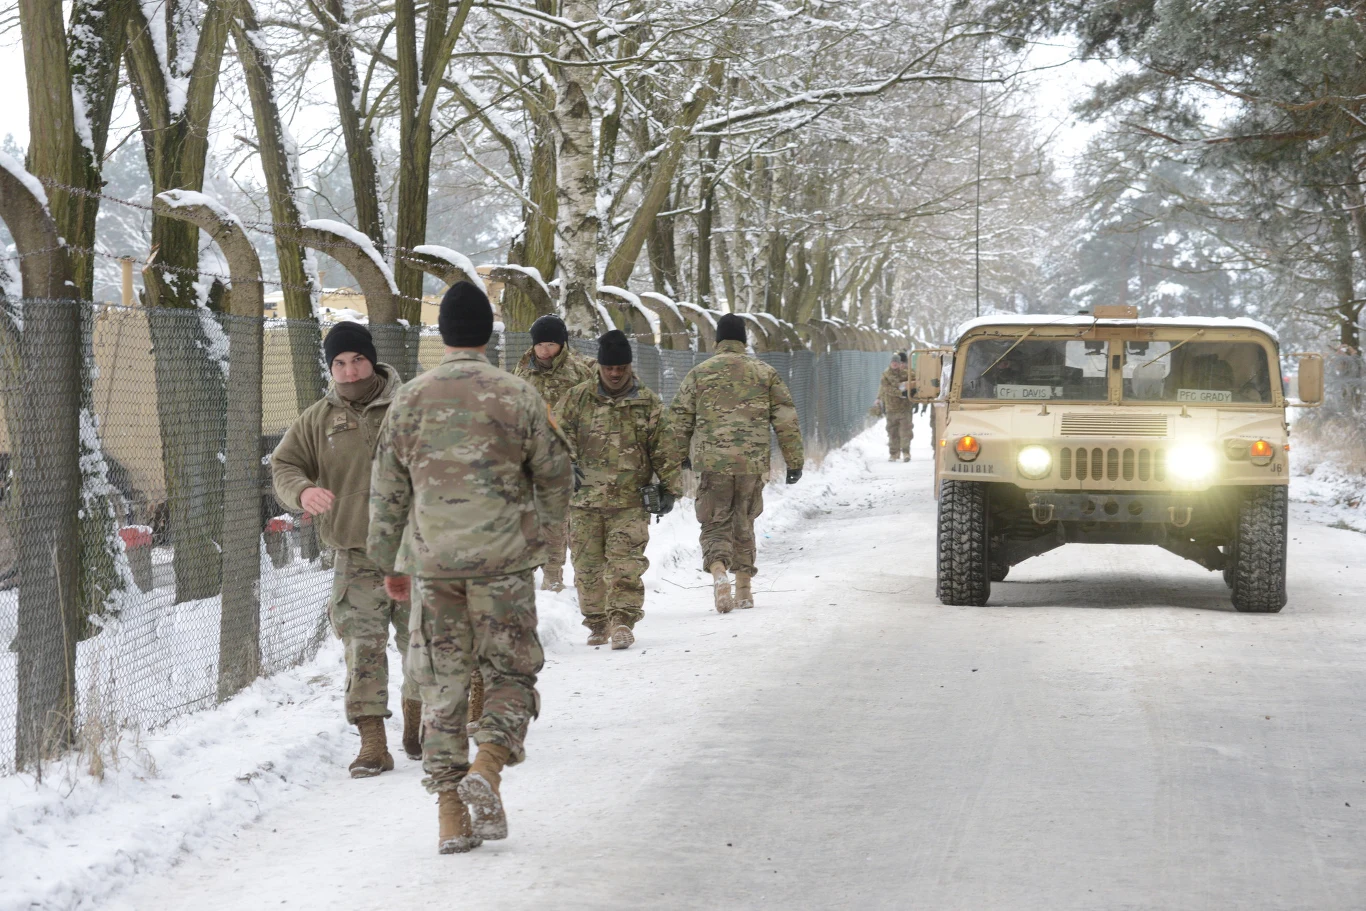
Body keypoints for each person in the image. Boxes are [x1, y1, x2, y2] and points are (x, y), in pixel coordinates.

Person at [369, 282, 571, 854]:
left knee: (441, 683)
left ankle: (451, 814)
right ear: (489, 334)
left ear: (442, 335)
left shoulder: (408, 399)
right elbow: (557, 473)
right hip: (504, 563)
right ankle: (488, 763)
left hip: (432, 566)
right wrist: (550, 532)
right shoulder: (519, 395)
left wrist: (388, 560)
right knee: (510, 675)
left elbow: (386, 491)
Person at [270, 321, 419, 777]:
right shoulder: (318, 419)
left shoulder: (413, 406)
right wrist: (302, 492)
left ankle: (420, 716)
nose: (350, 371)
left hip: (417, 551)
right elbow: (285, 464)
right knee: (362, 647)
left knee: (424, 643)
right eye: (340, 363)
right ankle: (373, 741)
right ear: (330, 367)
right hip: (355, 555)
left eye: (357, 360)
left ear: (372, 359)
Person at [669, 314, 804, 613]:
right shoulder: (764, 372)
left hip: (713, 464)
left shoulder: (699, 374)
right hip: (752, 465)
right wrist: (794, 461)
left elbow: (678, 420)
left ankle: (719, 573)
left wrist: (679, 457)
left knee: (714, 522)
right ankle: (744, 589)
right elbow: (786, 420)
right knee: (744, 522)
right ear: (745, 341)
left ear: (716, 341)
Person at [555, 330, 682, 650]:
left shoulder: (646, 401)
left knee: (626, 564)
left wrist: (670, 490)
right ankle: (597, 621)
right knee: (587, 567)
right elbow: (555, 438)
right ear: (599, 366)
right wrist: (563, 467)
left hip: (629, 500)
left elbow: (664, 448)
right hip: (584, 500)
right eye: (609, 368)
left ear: (629, 366)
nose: (614, 374)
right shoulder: (576, 399)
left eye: (621, 368)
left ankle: (622, 620)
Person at [514, 314, 597, 592]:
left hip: (574, 452)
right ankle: (552, 574)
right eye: (540, 345)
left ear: (562, 344)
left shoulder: (582, 369)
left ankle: (582, 574)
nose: (545, 350)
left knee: (574, 518)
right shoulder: (524, 368)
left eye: (551, 344)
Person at [877, 353, 916, 462]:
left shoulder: (906, 374)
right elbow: (886, 388)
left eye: (897, 362)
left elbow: (916, 382)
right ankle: (894, 454)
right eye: (893, 362)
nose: (894, 364)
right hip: (891, 408)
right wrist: (900, 393)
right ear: (890, 363)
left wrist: (912, 391)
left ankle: (906, 453)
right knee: (892, 432)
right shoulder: (886, 375)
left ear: (900, 364)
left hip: (905, 408)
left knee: (906, 432)